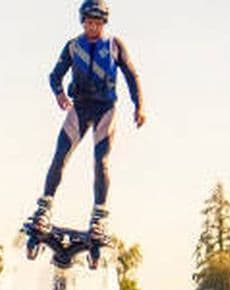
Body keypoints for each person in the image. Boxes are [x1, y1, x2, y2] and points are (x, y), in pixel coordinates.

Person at [28, 0, 145, 240]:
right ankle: (44, 207)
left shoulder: (114, 45)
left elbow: (132, 75)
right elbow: (54, 76)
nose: (93, 27)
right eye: (89, 23)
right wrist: (59, 94)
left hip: (105, 109)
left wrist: (139, 105)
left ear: (104, 23)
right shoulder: (73, 46)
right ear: (83, 22)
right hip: (79, 107)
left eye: (97, 23)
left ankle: (99, 215)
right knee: (60, 154)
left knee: (100, 161)